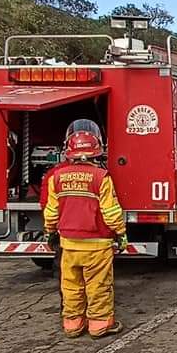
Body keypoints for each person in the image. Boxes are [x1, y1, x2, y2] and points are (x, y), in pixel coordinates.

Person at [43, 120, 126, 338]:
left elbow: (51, 212)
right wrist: (121, 233)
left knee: (71, 286)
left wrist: (50, 232)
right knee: (98, 286)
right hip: (97, 244)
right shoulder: (101, 177)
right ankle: (99, 326)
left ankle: (72, 325)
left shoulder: (57, 178)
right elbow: (111, 212)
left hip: (68, 244)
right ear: (97, 151)